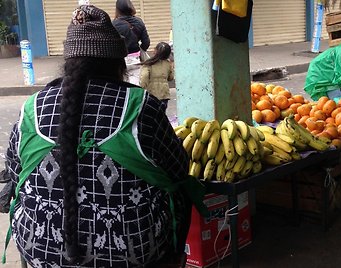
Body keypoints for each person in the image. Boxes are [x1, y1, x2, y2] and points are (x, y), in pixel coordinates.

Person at [3, 5, 206, 267]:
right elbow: (178, 169)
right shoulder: (139, 106)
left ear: (67, 62)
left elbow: (15, 171)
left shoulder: (31, 108)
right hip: (133, 255)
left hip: (41, 252)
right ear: (118, 63)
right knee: (181, 192)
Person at [112, 0, 150, 85]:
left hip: (120, 61)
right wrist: (141, 50)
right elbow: (146, 43)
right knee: (135, 87)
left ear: (117, 9)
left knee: (121, 87)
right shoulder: (139, 22)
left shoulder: (113, 24)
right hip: (135, 60)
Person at [140, 42, 174, 110]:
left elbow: (144, 78)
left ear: (155, 50)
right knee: (162, 114)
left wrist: (142, 89)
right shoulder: (168, 64)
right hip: (164, 94)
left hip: (151, 94)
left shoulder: (148, 63)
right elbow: (171, 78)